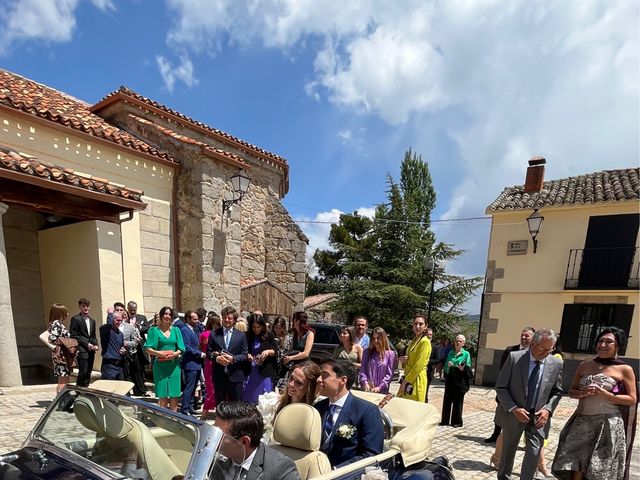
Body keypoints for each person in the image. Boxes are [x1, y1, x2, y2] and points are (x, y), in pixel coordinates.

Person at [552, 327, 637, 480]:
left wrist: (606, 394)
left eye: (609, 342)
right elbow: (571, 391)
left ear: (618, 346)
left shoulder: (625, 369)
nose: (603, 344)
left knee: (599, 469)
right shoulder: (584, 366)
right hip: (582, 421)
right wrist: (583, 393)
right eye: (600, 341)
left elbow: (632, 399)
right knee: (574, 461)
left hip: (608, 424)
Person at [494, 328, 563, 480]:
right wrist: (513, 408)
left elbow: (557, 391)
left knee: (533, 453)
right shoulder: (514, 358)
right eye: (542, 348)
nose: (546, 352)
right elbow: (501, 387)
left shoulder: (556, 363)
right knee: (507, 453)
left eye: (549, 349)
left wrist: (547, 410)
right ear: (533, 343)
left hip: (539, 418)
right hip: (514, 415)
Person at [314, 358, 384, 468]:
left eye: (325, 375)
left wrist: (336, 471)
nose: (318, 379)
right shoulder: (318, 408)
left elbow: (371, 455)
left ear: (343, 380)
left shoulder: (367, 411)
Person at [214, 401, 300, 480]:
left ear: (244, 441)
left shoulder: (281, 469)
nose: (213, 439)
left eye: (220, 435)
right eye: (214, 431)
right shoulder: (215, 460)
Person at [485, 327, 536, 443]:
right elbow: (502, 370)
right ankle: (496, 435)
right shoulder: (510, 350)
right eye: (522, 335)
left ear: (533, 337)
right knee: (500, 413)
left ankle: (518, 439)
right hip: (507, 390)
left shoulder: (534, 353)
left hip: (524, 393)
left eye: (527, 336)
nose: (523, 337)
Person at [144, 306, 185, 411]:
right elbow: (147, 347)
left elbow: (182, 348)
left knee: (174, 394)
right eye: (165, 314)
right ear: (161, 316)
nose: (168, 316)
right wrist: (159, 353)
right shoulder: (154, 330)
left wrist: (175, 354)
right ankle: (164, 417)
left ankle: (174, 418)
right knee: (162, 394)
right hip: (160, 366)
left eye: (170, 314)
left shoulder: (176, 330)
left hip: (174, 366)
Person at [207, 306, 249, 404]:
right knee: (220, 405)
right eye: (224, 317)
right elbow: (208, 353)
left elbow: (244, 355)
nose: (227, 320)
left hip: (235, 376)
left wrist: (233, 358)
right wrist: (217, 358)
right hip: (219, 375)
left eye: (229, 318)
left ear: (234, 320)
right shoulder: (214, 334)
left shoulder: (241, 336)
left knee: (236, 405)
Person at [243, 315, 279, 403]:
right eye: (254, 327)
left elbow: (275, 351)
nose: (256, 329)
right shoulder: (247, 336)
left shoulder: (269, 335)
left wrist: (268, 352)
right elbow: (243, 351)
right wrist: (247, 355)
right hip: (251, 371)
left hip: (264, 371)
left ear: (262, 326)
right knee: (249, 396)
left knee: (264, 396)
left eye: (258, 327)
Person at [397, 314, 431, 402]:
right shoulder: (415, 340)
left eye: (421, 324)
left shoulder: (425, 342)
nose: (417, 326)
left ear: (426, 326)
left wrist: (405, 382)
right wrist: (405, 360)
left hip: (416, 379)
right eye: (415, 324)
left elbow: (418, 366)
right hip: (409, 377)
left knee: (413, 409)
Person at [440, 334, 472, 427]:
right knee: (447, 399)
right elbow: (446, 365)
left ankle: (457, 421)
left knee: (458, 401)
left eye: (460, 341)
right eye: (457, 341)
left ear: (463, 343)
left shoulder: (466, 354)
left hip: (460, 377)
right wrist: (446, 369)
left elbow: (468, 366)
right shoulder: (450, 353)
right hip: (450, 377)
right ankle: (445, 420)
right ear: (454, 342)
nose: (458, 343)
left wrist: (460, 367)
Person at [178, 310, 206, 416]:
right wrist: (200, 354)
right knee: (189, 387)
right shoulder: (185, 330)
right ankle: (185, 408)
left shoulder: (194, 330)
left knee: (194, 387)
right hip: (190, 363)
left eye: (197, 319)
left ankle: (189, 406)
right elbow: (187, 347)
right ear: (188, 319)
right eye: (194, 319)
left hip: (196, 364)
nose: (197, 321)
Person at [69, 297, 98, 387]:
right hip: (82, 349)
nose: (86, 308)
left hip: (91, 351)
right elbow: (74, 335)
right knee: (83, 371)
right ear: (80, 307)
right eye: (83, 306)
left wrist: (96, 344)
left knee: (88, 371)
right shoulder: (76, 319)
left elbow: (93, 336)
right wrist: (87, 344)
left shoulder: (92, 321)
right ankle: (79, 391)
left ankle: (86, 390)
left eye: (87, 306)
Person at [47, 303, 76, 393]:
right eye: (65, 312)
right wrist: (65, 342)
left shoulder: (58, 324)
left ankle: (62, 399)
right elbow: (52, 338)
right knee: (63, 379)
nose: (67, 314)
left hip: (63, 355)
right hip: (61, 355)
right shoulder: (57, 324)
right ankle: (60, 401)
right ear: (60, 313)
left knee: (64, 378)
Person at [359, 327, 396, 394]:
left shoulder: (390, 354)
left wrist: (380, 387)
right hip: (367, 389)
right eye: (373, 338)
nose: (375, 341)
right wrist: (365, 382)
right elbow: (362, 370)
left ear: (383, 338)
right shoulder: (367, 352)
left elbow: (389, 375)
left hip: (382, 390)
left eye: (378, 338)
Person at [199, 312, 221, 420]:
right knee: (213, 389)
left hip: (207, 363)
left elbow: (201, 348)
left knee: (211, 389)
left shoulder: (203, 334)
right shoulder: (214, 335)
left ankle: (206, 413)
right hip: (214, 362)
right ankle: (207, 413)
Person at [120, 310, 146, 396]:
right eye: (122, 315)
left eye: (125, 315)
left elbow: (136, 339)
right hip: (124, 353)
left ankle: (139, 391)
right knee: (127, 373)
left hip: (133, 352)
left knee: (137, 371)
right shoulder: (118, 326)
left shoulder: (130, 326)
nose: (124, 317)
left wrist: (128, 343)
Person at [99, 311, 126, 380]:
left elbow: (121, 347)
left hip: (119, 366)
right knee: (108, 389)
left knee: (120, 389)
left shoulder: (120, 334)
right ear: (112, 319)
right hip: (109, 366)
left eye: (121, 320)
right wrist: (110, 313)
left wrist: (123, 351)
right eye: (117, 320)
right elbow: (109, 324)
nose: (119, 322)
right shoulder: (105, 330)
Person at [272, 316, 292, 391]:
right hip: (272, 367)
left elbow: (286, 351)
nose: (277, 330)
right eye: (276, 327)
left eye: (279, 328)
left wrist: (279, 344)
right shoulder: (271, 336)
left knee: (281, 389)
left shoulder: (287, 338)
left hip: (283, 368)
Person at [425, 327, 439, 402]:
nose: (429, 336)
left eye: (431, 335)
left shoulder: (435, 347)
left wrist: (428, 361)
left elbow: (437, 360)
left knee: (425, 391)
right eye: (428, 334)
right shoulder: (420, 345)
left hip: (428, 372)